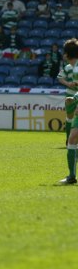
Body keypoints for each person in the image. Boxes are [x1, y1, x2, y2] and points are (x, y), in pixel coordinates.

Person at [57, 38, 78, 184]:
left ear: (67, 54)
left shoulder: (76, 68)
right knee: (72, 138)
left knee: (73, 138)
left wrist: (75, 99)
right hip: (75, 100)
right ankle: (71, 176)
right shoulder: (73, 67)